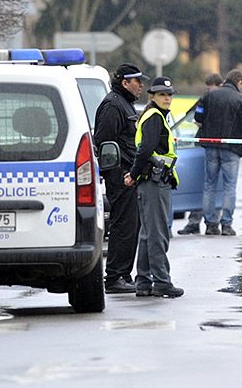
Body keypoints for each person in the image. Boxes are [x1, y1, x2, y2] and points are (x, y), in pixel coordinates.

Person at [124, 76, 183, 298]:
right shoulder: (155, 117)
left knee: (148, 233)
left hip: (152, 180)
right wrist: (134, 174)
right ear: (152, 97)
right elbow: (145, 149)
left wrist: (135, 174)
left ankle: (143, 281)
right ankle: (161, 281)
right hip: (155, 181)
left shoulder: (153, 115)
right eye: (162, 94)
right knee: (158, 234)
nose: (167, 98)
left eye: (169, 94)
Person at [94, 63, 149, 294]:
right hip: (120, 173)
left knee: (130, 225)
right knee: (123, 226)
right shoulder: (113, 105)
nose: (141, 86)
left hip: (128, 172)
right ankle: (115, 276)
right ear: (125, 82)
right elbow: (105, 142)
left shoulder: (124, 103)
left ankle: (124, 274)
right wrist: (120, 171)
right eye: (137, 81)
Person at [194, 69, 242, 236]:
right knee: (229, 187)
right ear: (239, 83)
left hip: (211, 146)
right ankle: (226, 224)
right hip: (232, 148)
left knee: (209, 185)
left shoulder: (208, 96)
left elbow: (198, 117)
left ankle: (210, 224)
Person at [178, 72, 223, 235]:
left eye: (211, 90)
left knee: (215, 185)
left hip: (219, 146)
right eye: (207, 90)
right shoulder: (204, 98)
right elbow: (191, 116)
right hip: (201, 144)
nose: (209, 93)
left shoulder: (224, 100)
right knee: (202, 184)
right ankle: (194, 221)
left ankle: (213, 222)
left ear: (220, 86)